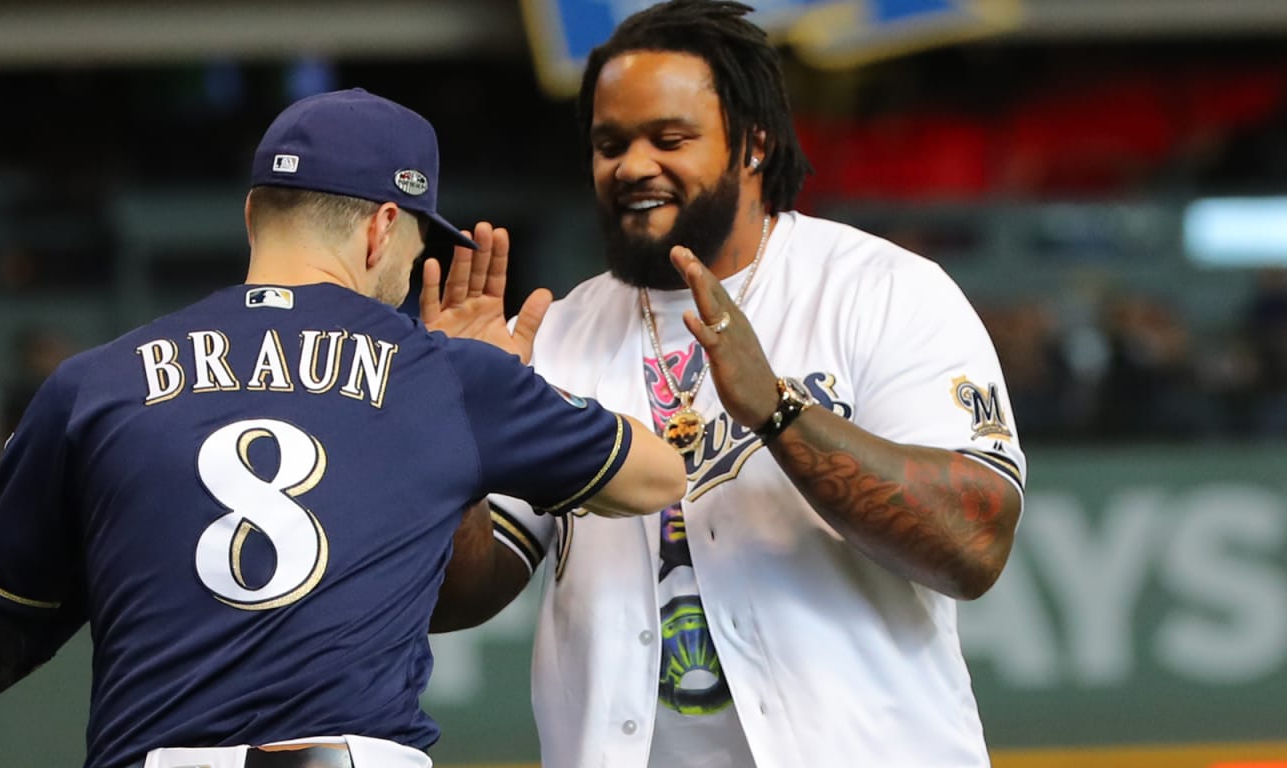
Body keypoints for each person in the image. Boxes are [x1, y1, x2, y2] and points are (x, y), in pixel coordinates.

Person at [0, 88, 686, 768]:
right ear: (383, 228)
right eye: (420, 241)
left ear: (254, 212)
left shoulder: (93, 383)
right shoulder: (448, 375)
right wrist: (496, 405)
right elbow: (659, 476)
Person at [429, 2, 1027, 766]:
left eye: (669, 138)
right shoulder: (563, 334)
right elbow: (465, 596)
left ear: (753, 144)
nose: (632, 165)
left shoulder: (884, 291)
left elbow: (973, 545)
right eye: (610, 143)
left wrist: (779, 412)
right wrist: (457, 437)